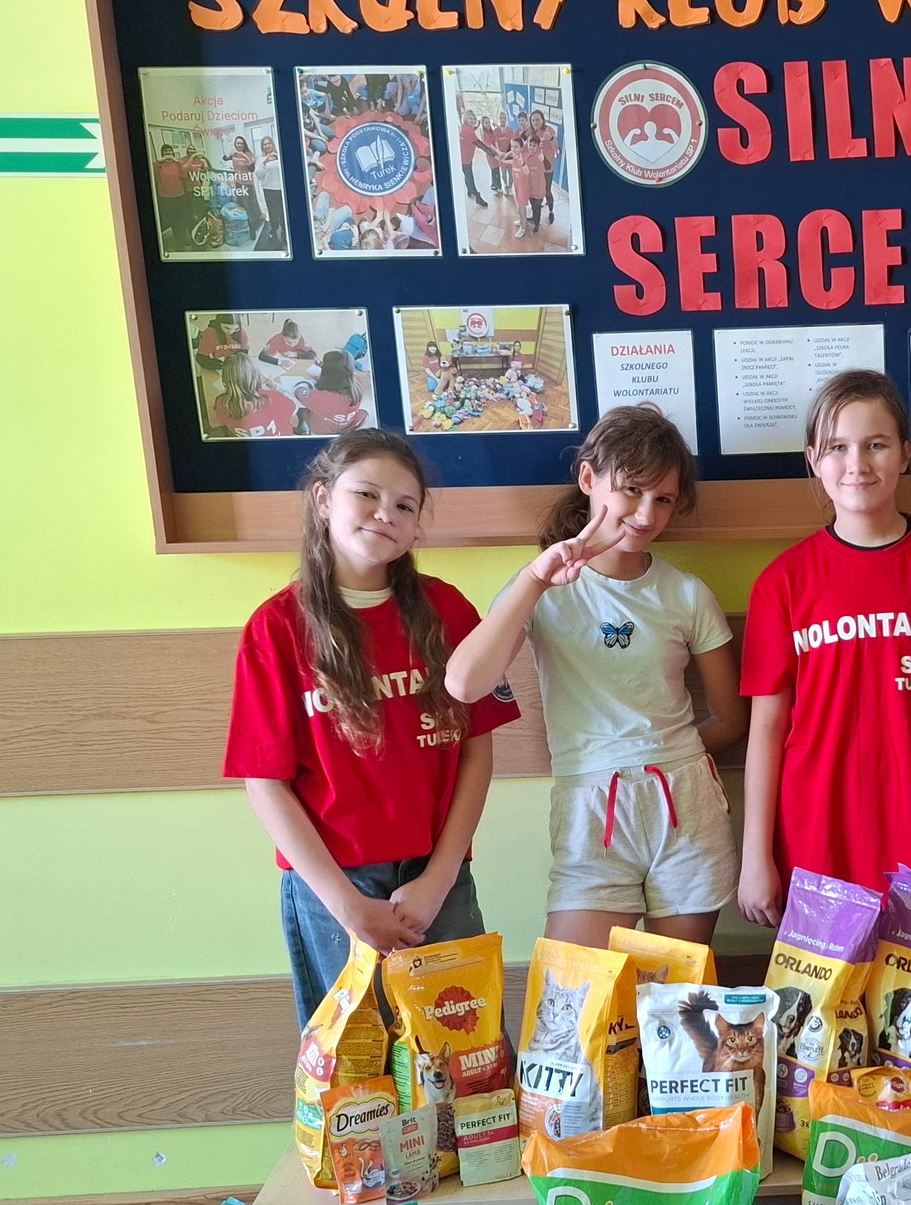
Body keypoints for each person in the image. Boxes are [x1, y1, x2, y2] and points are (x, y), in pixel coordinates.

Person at [225, 430, 517, 1026]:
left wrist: (439, 878)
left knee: (465, 1057)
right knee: (357, 1067)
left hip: (439, 882)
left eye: (405, 505)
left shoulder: (448, 611)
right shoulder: (275, 629)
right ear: (323, 499)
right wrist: (347, 905)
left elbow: (476, 753)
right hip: (334, 889)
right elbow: (265, 783)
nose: (386, 513)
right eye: (366, 494)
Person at [445, 407, 744, 948]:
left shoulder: (686, 593)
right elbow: (465, 685)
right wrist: (537, 579)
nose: (646, 513)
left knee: (674, 991)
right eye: (631, 490)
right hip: (590, 803)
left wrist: (658, 756)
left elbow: (730, 719)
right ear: (588, 478)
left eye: (664, 499)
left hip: (686, 800)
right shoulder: (539, 586)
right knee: (573, 993)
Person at [738, 370, 911, 918]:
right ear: (814, 459)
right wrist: (754, 856)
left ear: (906, 454)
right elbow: (766, 727)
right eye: (837, 447)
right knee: (833, 980)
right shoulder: (782, 583)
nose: (857, 463)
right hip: (818, 838)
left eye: (876, 444)